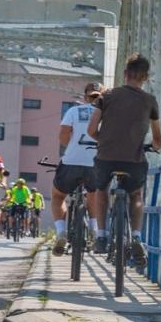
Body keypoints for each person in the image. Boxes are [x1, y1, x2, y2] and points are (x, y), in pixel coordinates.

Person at [88, 53, 161, 265]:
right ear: (146, 78)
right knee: (136, 195)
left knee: (101, 190)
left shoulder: (107, 96)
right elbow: (157, 138)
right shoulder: (150, 101)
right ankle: (137, 237)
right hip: (134, 160)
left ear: (125, 74)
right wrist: (158, 145)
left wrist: (103, 140)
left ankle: (102, 235)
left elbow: (91, 129)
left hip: (106, 157)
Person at [52, 82, 102, 256]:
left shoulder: (73, 111)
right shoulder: (107, 113)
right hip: (95, 163)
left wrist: (73, 147)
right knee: (94, 194)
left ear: (85, 97)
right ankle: (95, 230)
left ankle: (61, 232)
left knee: (58, 196)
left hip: (71, 162)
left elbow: (63, 136)